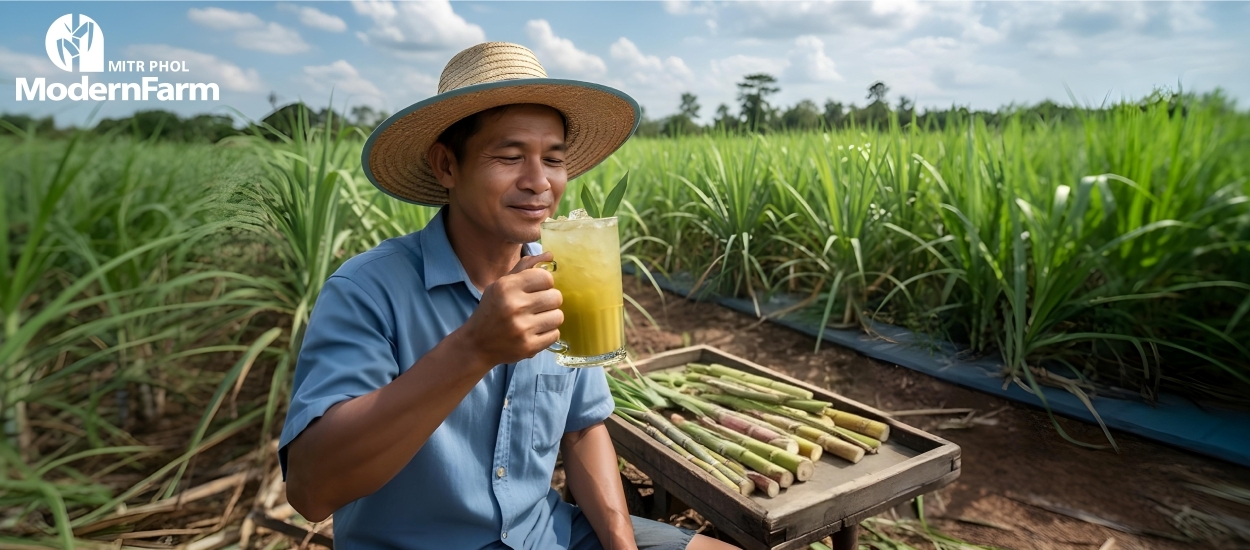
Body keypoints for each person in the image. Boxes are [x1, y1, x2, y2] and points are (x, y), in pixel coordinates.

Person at [278, 42, 740, 550]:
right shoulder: (368, 290)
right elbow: (311, 490)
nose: (539, 182)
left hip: (544, 534)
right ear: (446, 166)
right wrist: (474, 347)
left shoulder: (565, 272)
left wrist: (621, 543)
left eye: (554, 159)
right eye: (510, 156)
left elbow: (583, 429)